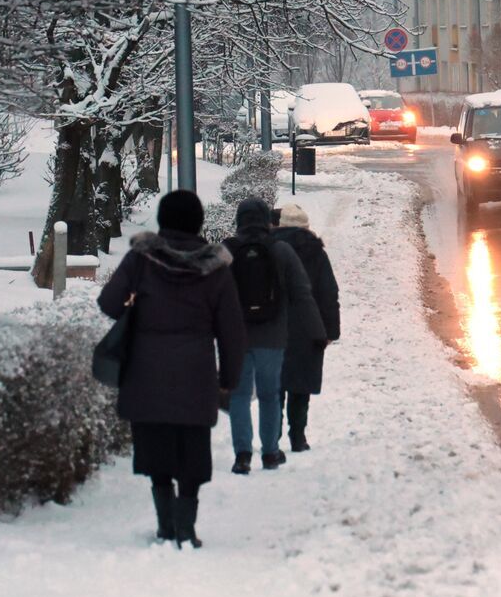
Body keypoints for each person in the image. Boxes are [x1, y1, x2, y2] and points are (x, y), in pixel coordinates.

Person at [97, 191, 246, 549]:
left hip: (146, 372)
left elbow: (108, 302)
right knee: (193, 449)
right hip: (196, 374)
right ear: (199, 223)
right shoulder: (217, 269)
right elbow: (232, 331)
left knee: (155, 449)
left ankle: (165, 526)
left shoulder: (141, 259)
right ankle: (186, 528)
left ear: (163, 222)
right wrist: (229, 379)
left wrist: (140, 312)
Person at [223, 198, 324, 474]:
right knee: (270, 395)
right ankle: (270, 453)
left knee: (239, 396)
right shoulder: (281, 251)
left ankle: (242, 455)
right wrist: (317, 329)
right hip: (273, 335)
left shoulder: (227, 250)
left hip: (236, 336)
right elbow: (302, 293)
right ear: (267, 220)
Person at [273, 203, 339, 452]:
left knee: (276, 384)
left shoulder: (269, 249)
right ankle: (298, 436)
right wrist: (331, 330)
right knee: (301, 384)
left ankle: (273, 434)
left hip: (274, 325)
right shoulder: (316, 252)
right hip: (308, 326)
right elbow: (328, 292)